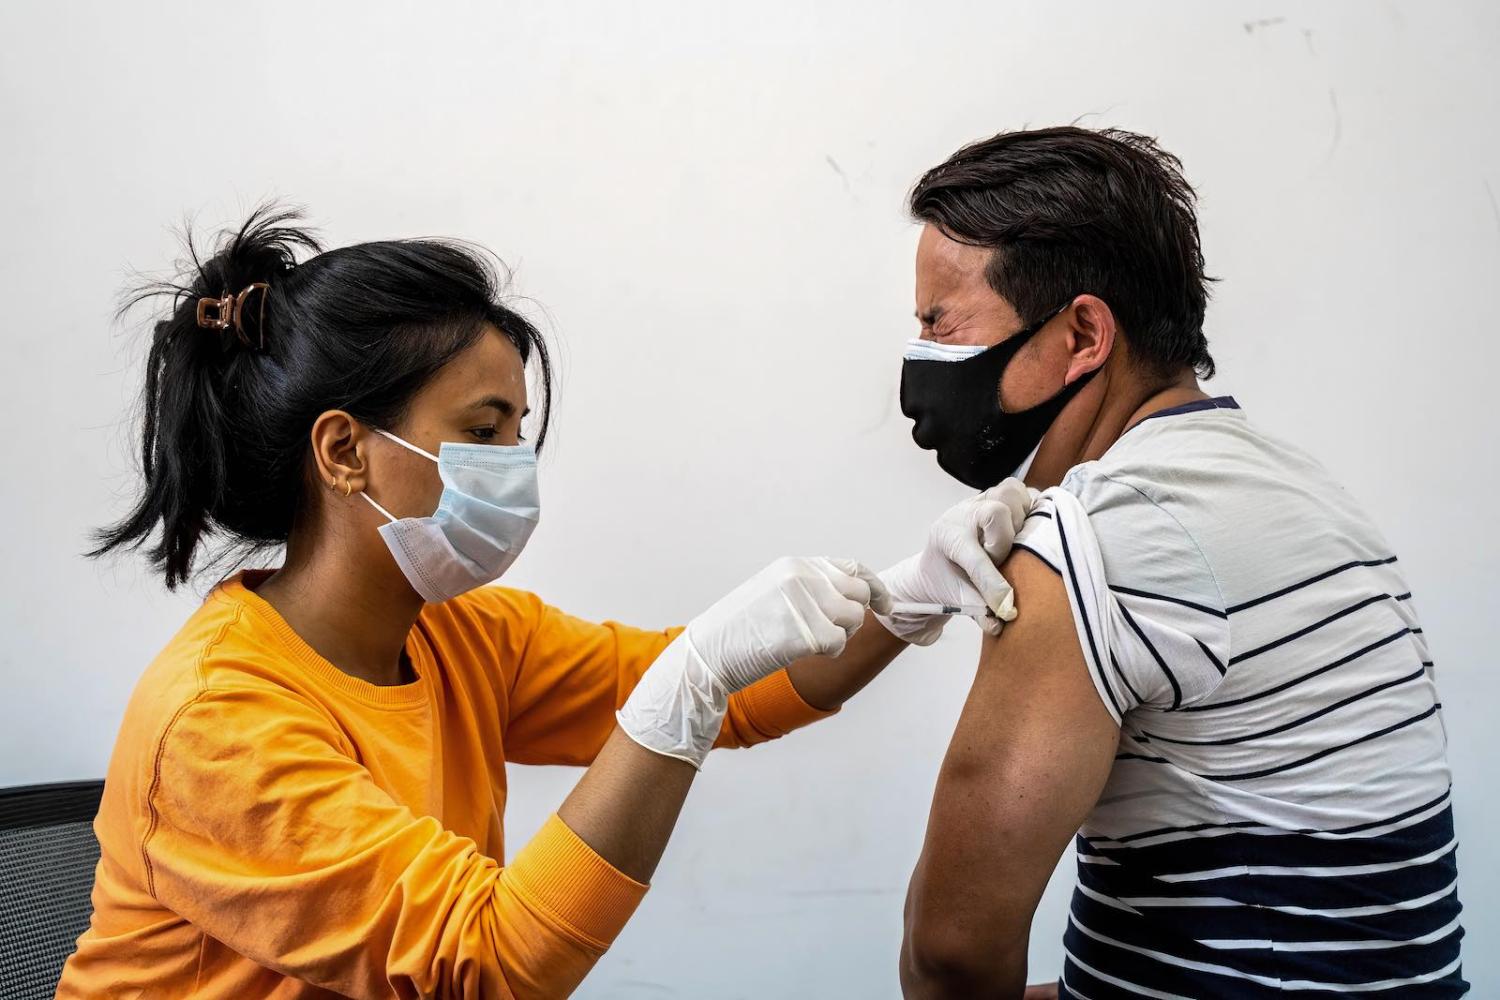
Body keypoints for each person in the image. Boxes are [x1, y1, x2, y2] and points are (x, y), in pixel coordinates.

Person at [58, 208, 1028, 999]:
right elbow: (482, 965)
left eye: (518, 430)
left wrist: (911, 594)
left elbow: (743, 692)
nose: (514, 466)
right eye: (481, 429)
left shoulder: (464, 636)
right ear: (345, 451)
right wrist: (683, 683)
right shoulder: (218, 721)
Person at [892, 128, 1466, 998]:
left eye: (942, 323)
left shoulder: (1100, 539)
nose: (924, 362)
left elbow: (953, 954)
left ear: (1084, 332)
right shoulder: (1308, 489)